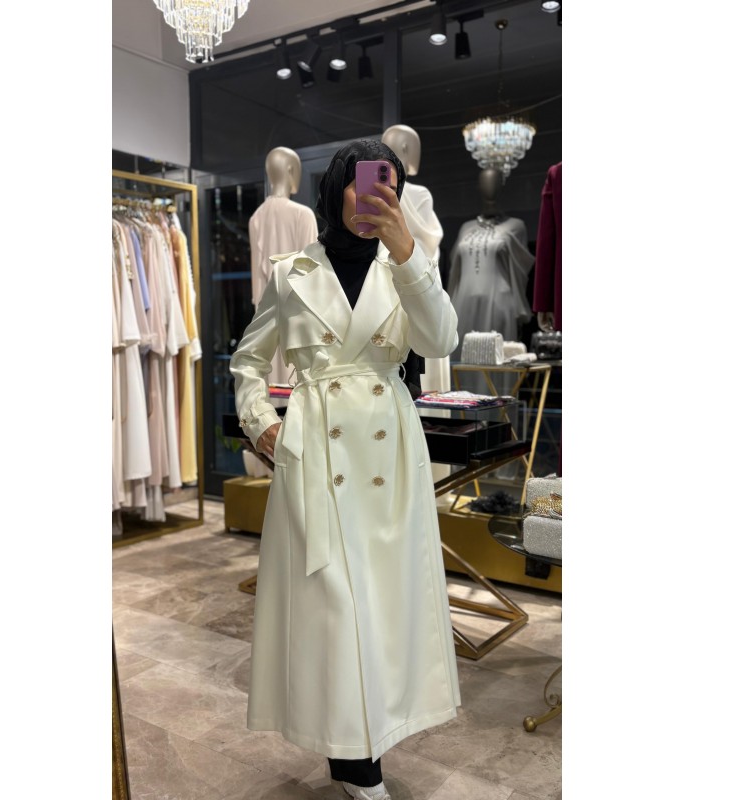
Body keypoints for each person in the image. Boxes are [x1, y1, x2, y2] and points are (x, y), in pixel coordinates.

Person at [230, 140, 461, 800]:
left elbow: (440, 340)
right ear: (336, 190)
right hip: (316, 453)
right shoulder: (293, 271)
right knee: (333, 606)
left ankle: (361, 750)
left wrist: (408, 251)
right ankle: (358, 765)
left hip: (388, 455)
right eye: (363, 183)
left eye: (389, 186)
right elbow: (248, 361)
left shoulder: (405, 265)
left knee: (384, 606)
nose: (374, 197)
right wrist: (261, 422)